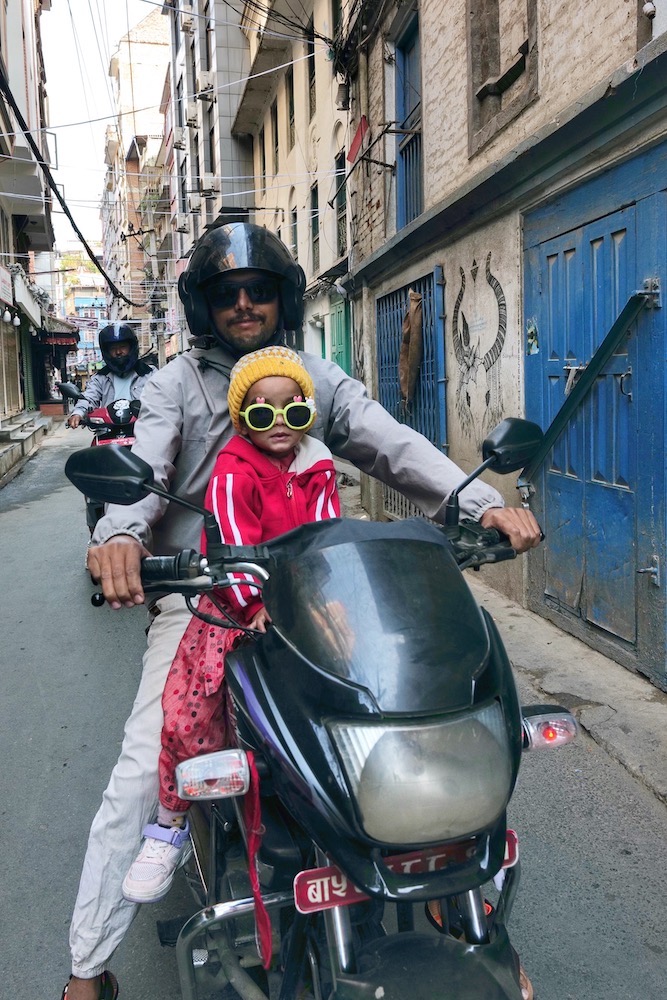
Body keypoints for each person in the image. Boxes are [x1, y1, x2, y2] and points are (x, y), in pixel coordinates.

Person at [62, 222, 540, 1000]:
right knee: (145, 763)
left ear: (282, 298)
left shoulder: (314, 377)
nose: (244, 304)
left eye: (258, 290)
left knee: (428, 711)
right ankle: (87, 968)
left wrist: (480, 502)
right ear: (204, 306)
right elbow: (143, 468)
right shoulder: (172, 385)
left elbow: (390, 443)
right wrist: (118, 538)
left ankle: (457, 888)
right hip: (206, 593)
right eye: (227, 293)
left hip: (318, 589)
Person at [121, 345, 340, 904]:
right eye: (263, 413)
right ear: (243, 420)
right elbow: (231, 545)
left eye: (293, 410)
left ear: (307, 413)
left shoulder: (318, 462)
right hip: (235, 605)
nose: (280, 423)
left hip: (302, 605)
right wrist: (253, 605)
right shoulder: (233, 468)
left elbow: (327, 536)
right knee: (190, 709)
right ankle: (169, 823)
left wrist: (328, 597)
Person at [66, 323, 154, 429]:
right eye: (113, 348)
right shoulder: (100, 378)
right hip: (108, 430)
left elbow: (163, 398)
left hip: (143, 430)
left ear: (131, 347)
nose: (118, 352)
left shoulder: (150, 373)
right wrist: (78, 413)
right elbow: (89, 397)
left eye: (123, 347)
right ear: (106, 351)